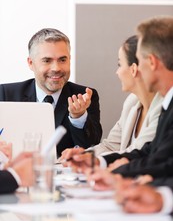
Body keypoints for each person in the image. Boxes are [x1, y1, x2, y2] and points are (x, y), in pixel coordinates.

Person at [81, 16, 173, 187]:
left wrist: (117, 171)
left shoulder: (165, 105)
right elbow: (150, 152)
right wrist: (92, 160)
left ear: (151, 62)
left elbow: (159, 162)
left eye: (141, 60)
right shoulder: (164, 103)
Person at [60, 35, 162, 172]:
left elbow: (136, 152)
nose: (117, 72)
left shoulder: (163, 108)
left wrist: (93, 161)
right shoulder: (132, 102)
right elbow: (110, 145)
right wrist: (83, 156)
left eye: (120, 64)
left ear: (133, 69)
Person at [0, 28, 102, 157]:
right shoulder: (5, 94)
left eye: (62, 60)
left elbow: (91, 147)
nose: (56, 68)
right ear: (31, 63)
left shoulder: (84, 96)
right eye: (47, 61)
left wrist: (79, 117)